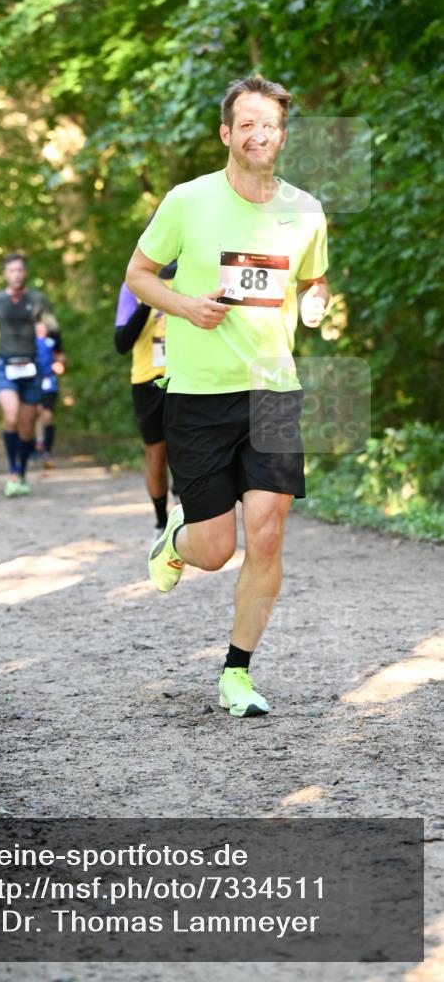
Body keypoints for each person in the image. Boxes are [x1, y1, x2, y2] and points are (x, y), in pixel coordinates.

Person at [126, 76, 329, 717]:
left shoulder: (306, 211)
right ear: (226, 133)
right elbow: (137, 276)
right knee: (216, 550)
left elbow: (315, 279)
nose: (258, 135)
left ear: (282, 134)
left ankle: (237, 673)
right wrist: (185, 305)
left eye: (269, 124)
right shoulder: (187, 201)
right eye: (246, 124)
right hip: (198, 394)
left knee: (267, 535)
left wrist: (320, 302)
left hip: (273, 391)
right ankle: (175, 541)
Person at [0, 253, 57, 497]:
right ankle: (13, 472)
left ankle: (22, 473)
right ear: (5, 274)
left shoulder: (37, 300)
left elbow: (54, 329)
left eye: (20, 270)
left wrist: (59, 356)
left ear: (26, 273)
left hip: (31, 366)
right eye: (11, 270)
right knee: (11, 417)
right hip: (5, 366)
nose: (16, 274)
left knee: (26, 426)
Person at [115, 260, 176, 542]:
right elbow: (121, 343)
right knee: (156, 452)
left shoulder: (196, 276)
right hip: (147, 380)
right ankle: (161, 521)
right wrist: (150, 298)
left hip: (187, 375)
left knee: (189, 447)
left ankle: (187, 512)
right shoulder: (132, 286)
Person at [34, 319, 66, 468]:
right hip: (33, 382)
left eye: (42, 328)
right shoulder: (29, 344)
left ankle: (46, 447)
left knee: (47, 415)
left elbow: (62, 359)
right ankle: (38, 444)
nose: (40, 330)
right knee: (36, 414)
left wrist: (59, 364)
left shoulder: (52, 343)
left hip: (49, 382)